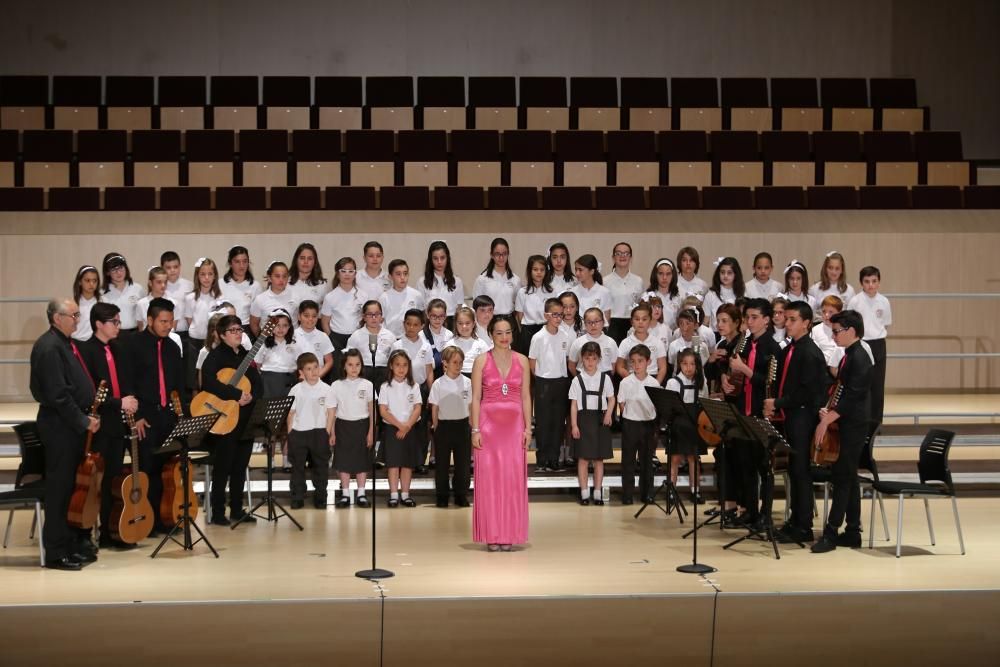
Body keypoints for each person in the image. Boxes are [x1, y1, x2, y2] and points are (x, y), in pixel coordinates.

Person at [29, 298, 101, 570]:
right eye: (73, 315)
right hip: (60, 426)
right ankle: (56, 553)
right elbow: (58, 395)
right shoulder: (49, 347)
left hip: (70, 425)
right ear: (57, 318)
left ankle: (69, 544)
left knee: (71, 488)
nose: (77, 319)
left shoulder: (63, 343)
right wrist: (83, 421)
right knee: (59, 491)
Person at [764, 302, 828, 544]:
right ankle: (795, 520)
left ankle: (804, 526)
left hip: (803, 417)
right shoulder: (791, 349)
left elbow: (807, 393)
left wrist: (778, 403)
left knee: (801, 471)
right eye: (786, 319)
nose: (786, 323)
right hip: (791, 415)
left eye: (792, 319)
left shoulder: (810, 353)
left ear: (806, 323)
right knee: (793, 470)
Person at [811, 310, 873, 553]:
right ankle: (853, 531)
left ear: (852, 331)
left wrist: (827, 421)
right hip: (846, 422)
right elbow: (842, 391)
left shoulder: (860, 357)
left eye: (837, 331)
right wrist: (829, 412)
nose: (833, 335)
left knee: (843, 478)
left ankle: (831, 532)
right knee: (846, 476)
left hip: (855, 425)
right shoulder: (850, 354)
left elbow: (854, 396)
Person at [79, 303, 139, 550]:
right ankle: (97, 533)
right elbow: (91, 390)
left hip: (120, 423)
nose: (119, 325)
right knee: (100, 481)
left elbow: (125, 379)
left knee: (116, 479)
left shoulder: (118, 348)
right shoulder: (87, 351)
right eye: (114, 321)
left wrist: (131, 400)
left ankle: (113, 529)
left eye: (118, 320)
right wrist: (119, 402)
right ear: (99, 324)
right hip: (101, 424)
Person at [470, 315, 531, 551]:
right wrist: (475, 429)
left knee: (512, 479)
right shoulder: (481, 361)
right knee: (490, 481)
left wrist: (528, 427)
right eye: (499, 333)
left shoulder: (522, 361)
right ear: (491, 334)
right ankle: (491, 534)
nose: (504, 337)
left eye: (508, 332)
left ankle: (509, 533)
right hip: (488, 426)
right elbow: (475, 397)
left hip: (515, 426)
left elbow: (526, 396)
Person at [126, 297, 184, 534]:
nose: (168, 326)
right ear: (149, 320)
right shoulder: (133, 345)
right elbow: (128, 382)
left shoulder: (172, 347)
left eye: (170, 321)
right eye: (162, 321)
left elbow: (177, 384)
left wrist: (180, 414)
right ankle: (147, 520)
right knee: (147, 470)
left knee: (167, 470)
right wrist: (137, 415)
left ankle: (165, 518)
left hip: (167, 417)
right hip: (145, 417)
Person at [724, 298, 781, 527]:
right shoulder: (744, 342)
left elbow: (769, 383)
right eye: (747, 317)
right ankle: (748, 510)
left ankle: (765, 514)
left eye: (754, 317)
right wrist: (725, 378)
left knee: (763, 466)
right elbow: (726, 364)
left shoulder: (772, 347)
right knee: (744, 463)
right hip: (742, 411)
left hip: (760, 412)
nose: (749, 321)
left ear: (767, 320)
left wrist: (744, 369)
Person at [201, 314, 261, 526]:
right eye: (233, 331)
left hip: (244, 419)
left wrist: (253, 396)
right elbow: (208, 385)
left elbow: (256, 381)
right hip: (224, 419)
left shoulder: (245, 354)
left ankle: (237, 509)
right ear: (222, 335)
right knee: (223, 467)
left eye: (239, 330)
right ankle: (218, 512)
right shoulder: (215, 357)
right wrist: (236, 395)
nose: (238, 334)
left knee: (240, 466)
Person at [569, 342, 616, 506]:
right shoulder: (577, 380)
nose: (590, 362)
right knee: (582, 459)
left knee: (598, 459)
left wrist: (609, 414)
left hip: (600, 421)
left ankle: (597, 492)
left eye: (594, 358)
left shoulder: (605, 378)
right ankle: (584, 492)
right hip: (583, 420)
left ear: (599, 359)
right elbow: (574, 405)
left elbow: (611, 399)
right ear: (582, 359)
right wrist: (574, 425)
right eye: (587, 358)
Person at [528, 298, 571, 473]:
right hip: (544, 383)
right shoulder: (538, 337)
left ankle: (554, 458)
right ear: (546, 315)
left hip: (561, 382)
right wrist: (540, 378)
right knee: (544, 422)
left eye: (561, 314)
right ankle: (542, 458)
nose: (558, 318)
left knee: (558, 422)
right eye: (555, 314)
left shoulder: (565, 336)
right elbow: (532, 362)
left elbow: (566, 359)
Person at [328, 349, 375, 508]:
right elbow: (332, 412)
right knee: (343, 461)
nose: (354, 368)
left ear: (362, 366)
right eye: (350, 365)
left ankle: (361, 493)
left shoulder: (368, 385)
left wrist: (371, 432)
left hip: (362, 425)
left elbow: (372, 411)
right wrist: (332, 432)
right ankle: (346, 494)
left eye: (357, 365)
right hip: (343, 426)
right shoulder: (336, 385)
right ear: (344, 366)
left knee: (362, 461)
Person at [286, 352, 332, 510]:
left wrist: (328, 431)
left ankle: (321, 497)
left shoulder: (327, 389)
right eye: (308, 369)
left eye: (315, 367)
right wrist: (290, 434)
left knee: (321, 466)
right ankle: (297, 496)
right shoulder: (296, 390)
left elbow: (331, 412)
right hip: (299, 433)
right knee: (298, 467)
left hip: (319, 432)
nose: (313, 371)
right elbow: (291, 414)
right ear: (301, 372)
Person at [428, 346, 473, 507]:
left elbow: (470, 406)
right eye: (454, 362)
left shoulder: (467, 382)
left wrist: (472, 426)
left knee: (463, 465)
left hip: (462, 426)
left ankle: (461, 494)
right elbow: (435, 407)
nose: (458, 365)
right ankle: (442, 495)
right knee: (442, 465)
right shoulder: (438, 384)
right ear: (445, 363)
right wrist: (436, 426)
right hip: (444, 427)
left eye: (461, 362)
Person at [847, 266, 891, 425]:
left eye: (874, 281)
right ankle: (861, 422)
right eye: (867, 281)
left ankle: (876, 423)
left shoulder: (884, 301)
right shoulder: (855, 301)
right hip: (861, 345)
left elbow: (885, 325)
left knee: (877, 386)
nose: (871, 285)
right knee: (861, 385)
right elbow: (851, 326)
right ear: (861, 283)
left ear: (879, 282)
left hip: (878, 344)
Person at [378, 350, 423, 507]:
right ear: (391, 366)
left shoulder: (414, 386)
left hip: (409, 428)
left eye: (405, 365)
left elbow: (417, 408)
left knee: (407, 463)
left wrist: (407, 426)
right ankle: (393, 494)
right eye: (397, 365)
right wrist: (400, 426)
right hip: (393, 429)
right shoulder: (385, 387)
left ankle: (405, 494)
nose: (401, 368)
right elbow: (383, 410)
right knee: (393, 463)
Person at [617, 344, 660, 504]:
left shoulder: (654, 383)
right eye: (633, 361)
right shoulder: (626, 382)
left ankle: (646, 493)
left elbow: (656, 405)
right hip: (630, 424)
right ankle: (627, 494)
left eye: (640, 361)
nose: (636, 365)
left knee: (647, 461)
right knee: (628, 461)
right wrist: (629, 416)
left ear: (648, 362)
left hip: (648, 425)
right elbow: (621, 403)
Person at [665, 348, 708, 504]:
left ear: (697, 366)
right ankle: (671, 491)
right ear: (679, 365)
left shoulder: (701, 382)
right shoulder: (673, 382)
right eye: (684, 364)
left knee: (693, 458)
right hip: (678, 424)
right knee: (675, 458)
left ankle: (695, 490)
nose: (688, 368)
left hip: (695, 424)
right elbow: (669, 406)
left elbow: (704, 403)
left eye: (692, 364)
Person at [321, 256, 365, 369]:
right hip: (336, 339)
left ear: (355, 274)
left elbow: (365, 318)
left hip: (356, 337)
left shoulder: (363, 295)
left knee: (355, 369)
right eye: (343, 271)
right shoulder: (330, 297)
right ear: (337, 273)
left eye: (351, 271)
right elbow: (325, 322)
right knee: (338, 370)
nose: (347, 274)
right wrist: (331, 337)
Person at [347, 300, 397, 389]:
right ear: (364, 317)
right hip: (364, 372)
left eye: (377, 314)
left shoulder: (390, 335)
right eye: (370, 315)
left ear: (381, 316)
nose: (374, 318)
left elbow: (394, 359)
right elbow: (348, 358)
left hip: (384, 372)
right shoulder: (356, 336)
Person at [617, 303, 668, 385]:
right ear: (632, 322)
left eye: (644, 319)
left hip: (652, 378)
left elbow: (662, 368)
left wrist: (655, 385)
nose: (640, 322)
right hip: (632, 378)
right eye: (637, 319)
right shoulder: (625, 343)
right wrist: (630, 381)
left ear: (650, 321)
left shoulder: (657, 342)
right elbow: (620, 367)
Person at [604, 242, 644, 344]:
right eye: (619, 253)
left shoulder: (638, 281)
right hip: (612, 325)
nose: (622, 256)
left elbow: (640, 306)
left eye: (626, 253)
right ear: (613, 257)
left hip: (633, 324)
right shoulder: (605, 281)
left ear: (631, 258)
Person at [514, 254, 553, 355]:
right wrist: (524, 332)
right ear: (529, 271)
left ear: (546, 271)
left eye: (542, 269)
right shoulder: (522, 292)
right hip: (527, 331)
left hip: (546, 329)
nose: (539, 272)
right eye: (535, 269)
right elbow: (519, 316)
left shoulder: (551, 292)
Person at [419, 240, 465, 323]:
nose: (439, 262)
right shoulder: (422, 281)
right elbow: (421, 308)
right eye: (435, 258)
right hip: (430, 322)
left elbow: (459, 307)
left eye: (442, 258)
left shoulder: (457, 281)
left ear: (447, 258)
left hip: (451, 322)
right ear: (430, 260)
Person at [473, 237, 520, 316]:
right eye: (497, 254)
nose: (501, 258)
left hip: (510, 321)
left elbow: (519, 305)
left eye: (504, 253)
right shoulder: (482, 279)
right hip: (490, 321)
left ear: (508, 254)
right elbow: (476, 305)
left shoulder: (515, 279)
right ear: (492, 255)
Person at [219, 245, 263, 331]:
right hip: (224, 329)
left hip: (246, 328)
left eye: (245, 261)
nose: (241, 265)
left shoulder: (255, 286)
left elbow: (257, 315)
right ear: (230, 263)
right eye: (237, 262)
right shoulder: (220, 283)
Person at [250, 261, 298, 336]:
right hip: (269, 344)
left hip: (291, 342)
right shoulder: (260, 299)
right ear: (269, 278)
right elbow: (254, 324)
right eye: (277, 276)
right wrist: (263, 342)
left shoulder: (296, 297)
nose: (281, 280)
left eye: (284, 276)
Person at [101, 253, 145, 334]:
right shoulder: (102, 293)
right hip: (113, 335)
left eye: (121, 267)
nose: (118, 272)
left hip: (135, 333)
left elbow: (143, 314)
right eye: (114, 269)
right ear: (107, 272)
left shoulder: (137, 288)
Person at [702, 257, 745, 331]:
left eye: (729, 273)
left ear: (736, 274)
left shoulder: (742, 294)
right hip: (716, 335)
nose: (725, 275)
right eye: (722, 272)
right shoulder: (711, 295)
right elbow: (705, 322)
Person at [295, 300, 335, 379]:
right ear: (299, 316)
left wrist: (318, 376)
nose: (310, 319)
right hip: (297, 377)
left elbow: (329, 361)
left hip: (318, 378)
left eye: (314, 316)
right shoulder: (292, 336)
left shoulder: (323, 336)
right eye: (306, 316)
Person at [446, 306, 490, 377]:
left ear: (473, 324)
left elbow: (488, 365)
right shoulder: (450, 344)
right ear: (455, 324)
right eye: (460, 323)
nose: (464, 326)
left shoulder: (481, 344)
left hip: (477, 378)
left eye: (467, 323)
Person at [571, 254, 612, 325]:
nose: (577, 273)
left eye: (580, 270)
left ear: (592, 271)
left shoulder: (604, 292)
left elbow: (606, 320)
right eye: (576, 269)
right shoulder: (572, 292)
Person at [647, 258, 682, 329]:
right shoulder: (647, 296)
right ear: (655, 275)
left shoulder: (679, 296)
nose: (664, 277)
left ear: (673, 276)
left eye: (668, 274)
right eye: (661, 273)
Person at [71, 265, 100, 342]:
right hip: (76, 342)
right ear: (80, 282)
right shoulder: (72, 303)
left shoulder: (103, 302)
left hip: (96, 344)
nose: (91, 284)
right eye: (87, 280)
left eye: (94, 281)